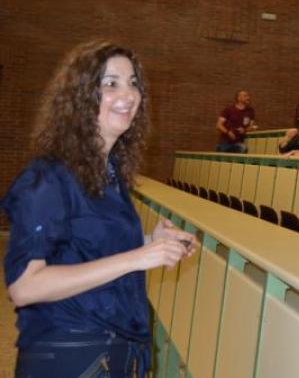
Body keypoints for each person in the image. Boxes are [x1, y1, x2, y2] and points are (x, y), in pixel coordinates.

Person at [2, 41, 197, 377]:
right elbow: (24, 287)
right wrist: (136, 258)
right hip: (71, 353)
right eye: (111, 83)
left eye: (133, 82)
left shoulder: (109, 173)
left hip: (111, 346)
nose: (129, 94)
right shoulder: (48, 178)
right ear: (80, 97)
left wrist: (151, 243)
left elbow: (86, 250)